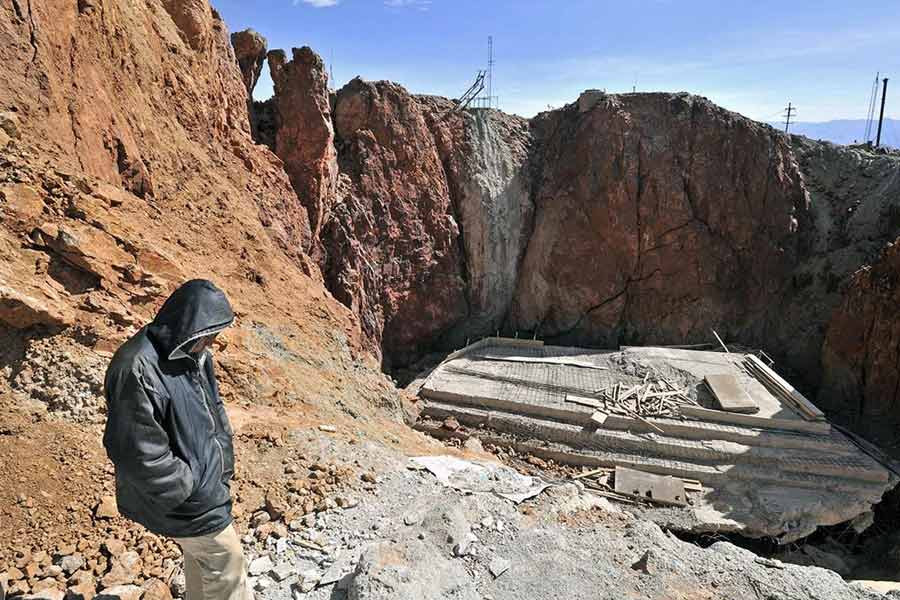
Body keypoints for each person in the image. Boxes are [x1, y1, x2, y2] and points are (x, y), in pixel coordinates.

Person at [103, 279, 251, 600]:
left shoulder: (195, 354)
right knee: (227, 566)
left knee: (203, 567)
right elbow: (136, 452)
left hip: (207, 488)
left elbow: (215, 410)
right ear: (187, 324)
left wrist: (221, 464)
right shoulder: (136, 367)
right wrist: (189, 487)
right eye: (207, 334)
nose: (212, 341)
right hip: (188, 501)